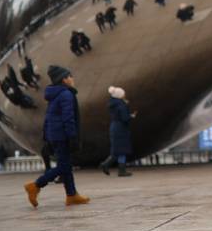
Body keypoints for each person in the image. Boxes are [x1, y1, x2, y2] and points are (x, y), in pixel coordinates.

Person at [24, 66, 90, 208]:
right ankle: (35, 186)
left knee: (65, 166)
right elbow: (68, 118)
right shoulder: (66, 94)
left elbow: (49, 117)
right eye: (70, 76)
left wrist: (48, 136)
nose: (72, 79)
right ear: (64, 79)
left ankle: (71, 195)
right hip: (62, 135)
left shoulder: (56, 94)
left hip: (55, 134)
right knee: (63, 166)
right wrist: (72, 136)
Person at [99, 86, 135, 177]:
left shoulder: (113, 104)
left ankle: (119, 169)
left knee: (119, 150)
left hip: (115, 127)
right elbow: (124, 118)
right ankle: (108, 165)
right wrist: (131, 116)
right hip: (121, 129)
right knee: (120, 150)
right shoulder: (121, 105)